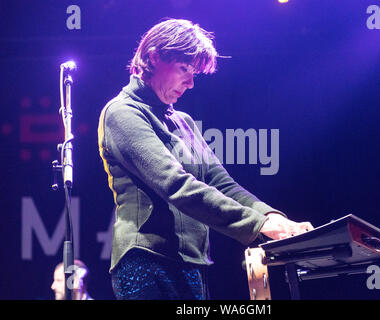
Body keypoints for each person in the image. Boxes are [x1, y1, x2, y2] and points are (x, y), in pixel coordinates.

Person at [97, 18, 313, 300]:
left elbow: (220, 182)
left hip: (192, 263)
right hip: (147, 261)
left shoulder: (183, 121)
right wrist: (256, 225)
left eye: (194, 72)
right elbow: (175, 184)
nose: (190, 82)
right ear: (154, 57)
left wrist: (271, 216)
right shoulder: (122, 113)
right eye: (184, 68)